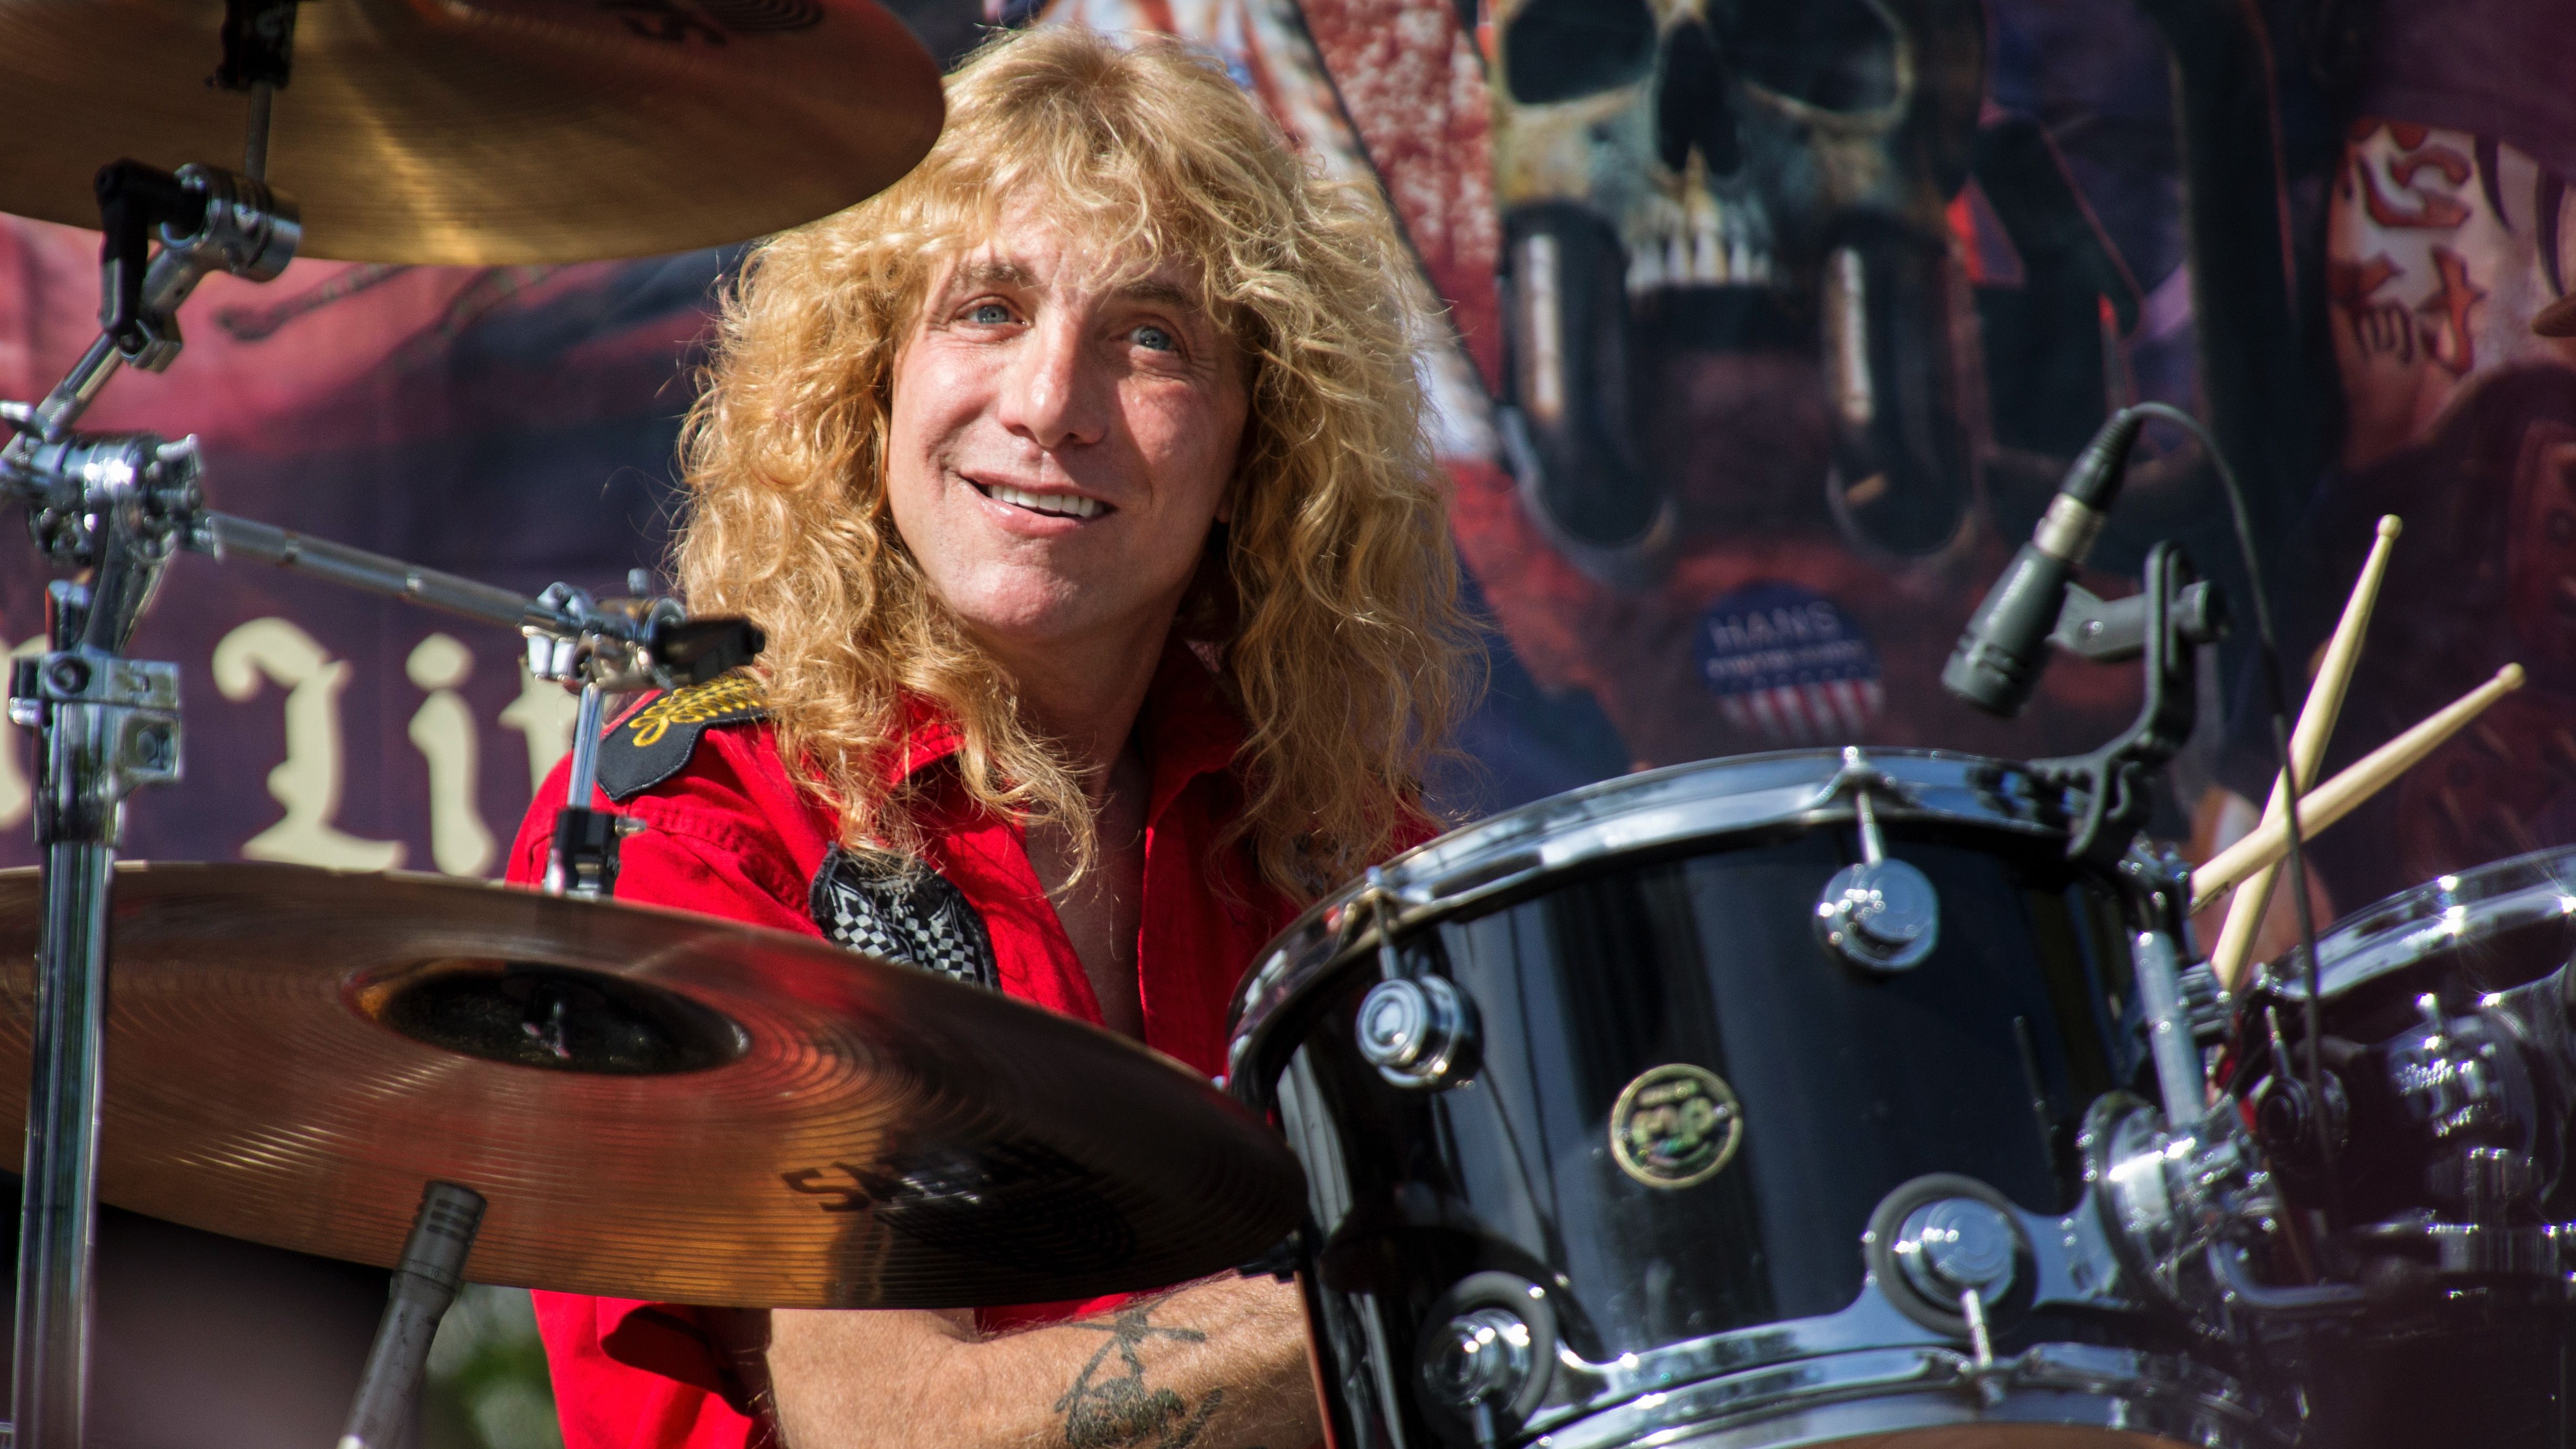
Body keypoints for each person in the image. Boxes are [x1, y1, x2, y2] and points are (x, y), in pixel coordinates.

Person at [502, 23, 1477, 1449]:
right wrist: (1440, 1260)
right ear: (869, 380)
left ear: (1258, 442)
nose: (1045, 405)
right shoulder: (704, 809)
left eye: (1150, 337)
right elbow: (889, 1428)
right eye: (986, 310)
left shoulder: (1335, 845)